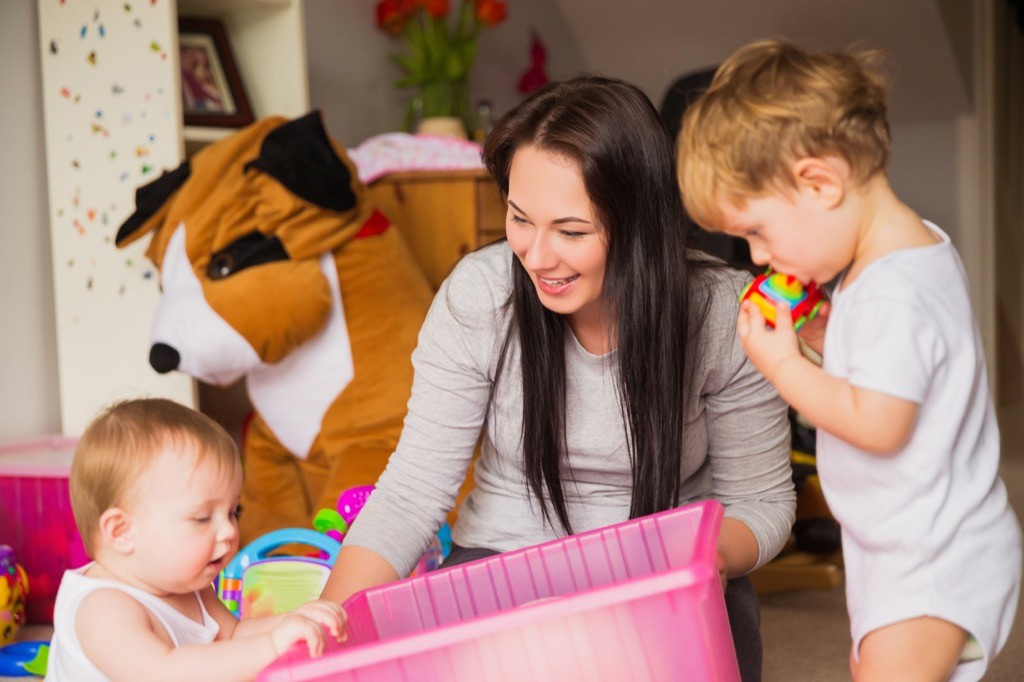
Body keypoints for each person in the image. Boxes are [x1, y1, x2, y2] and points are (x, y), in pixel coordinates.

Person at [321, 75, 796, 681]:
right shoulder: (482, 293)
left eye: (572, 232)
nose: (537, 256)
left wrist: (695, 561)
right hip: (501, 564)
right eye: (520, 218)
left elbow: (763, 502)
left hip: (668, 575)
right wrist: (324, 627)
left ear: (642, 225)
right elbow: (413, 491)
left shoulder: (723, 311)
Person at [677, 39, 1022, 681]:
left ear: (820, 182)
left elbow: (882, 422)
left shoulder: (894, 291)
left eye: (758, 230)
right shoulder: (894, 263)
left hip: (933, 558)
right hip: (904, 546)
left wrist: (784, 365)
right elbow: (896, 378)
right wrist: (829, 341)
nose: (755, 257)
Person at [46, 398, 347, 682]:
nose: (229, 531)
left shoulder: (191, 584)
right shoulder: (102, 608)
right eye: (203, 517)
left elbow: (234, 635)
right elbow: (164, 673)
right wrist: (269, 646)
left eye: (232, 512)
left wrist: (289, 623)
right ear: (122, 532)